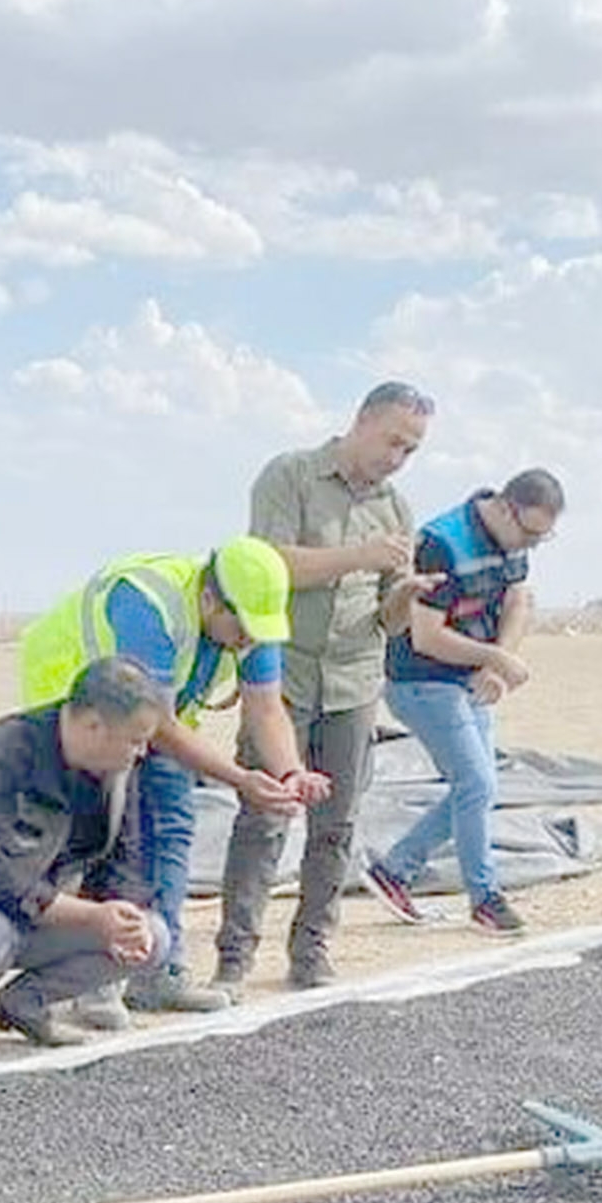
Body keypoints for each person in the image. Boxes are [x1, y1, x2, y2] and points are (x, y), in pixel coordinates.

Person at [15, 536, 326, 1018]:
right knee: (112, 829)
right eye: (240, 628)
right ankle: (95, 976)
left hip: (147, 718)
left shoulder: (251, 620)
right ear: (209, 599)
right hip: (73, 706)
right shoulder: (148, 604)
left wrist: (291, 771)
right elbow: (156, 723)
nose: (247, 640)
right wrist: (240, 780)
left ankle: (159, 972)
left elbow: (265, 706)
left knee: (172, 826)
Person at [214, 381, 435, 995]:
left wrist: (404, 598)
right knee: (266, 814)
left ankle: (312, 950)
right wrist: (359, 554)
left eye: (411, 450)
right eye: (392, 440)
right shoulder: (290, 476)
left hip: (355, 680)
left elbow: (386, 617)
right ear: (361, 420)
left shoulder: (396, 509)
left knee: (337, 824)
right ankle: (235, 956)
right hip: (281, 674)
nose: (397, 457)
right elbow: (268, 566)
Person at [0, 657, 176, 1068]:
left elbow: (125, 861)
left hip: (33, 912)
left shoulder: (116, 771)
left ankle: (24, 1004)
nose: (142, 752)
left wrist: (125, 918)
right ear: (94, 725)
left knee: (155, 937)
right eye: (135, 739)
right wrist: (94, 916)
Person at [361, 469, 566, 936]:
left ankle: (395, 870)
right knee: (474, 782)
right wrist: (492, 657)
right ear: (505, 508)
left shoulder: (515, 546)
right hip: (422, 680)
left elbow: (517, 602)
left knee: (480, 787)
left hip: (470, 678)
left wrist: (498, 664)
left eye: (542, 538)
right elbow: (427, 637)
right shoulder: (443, 544)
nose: (530, 546)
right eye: (529, 533)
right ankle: (485, 898)